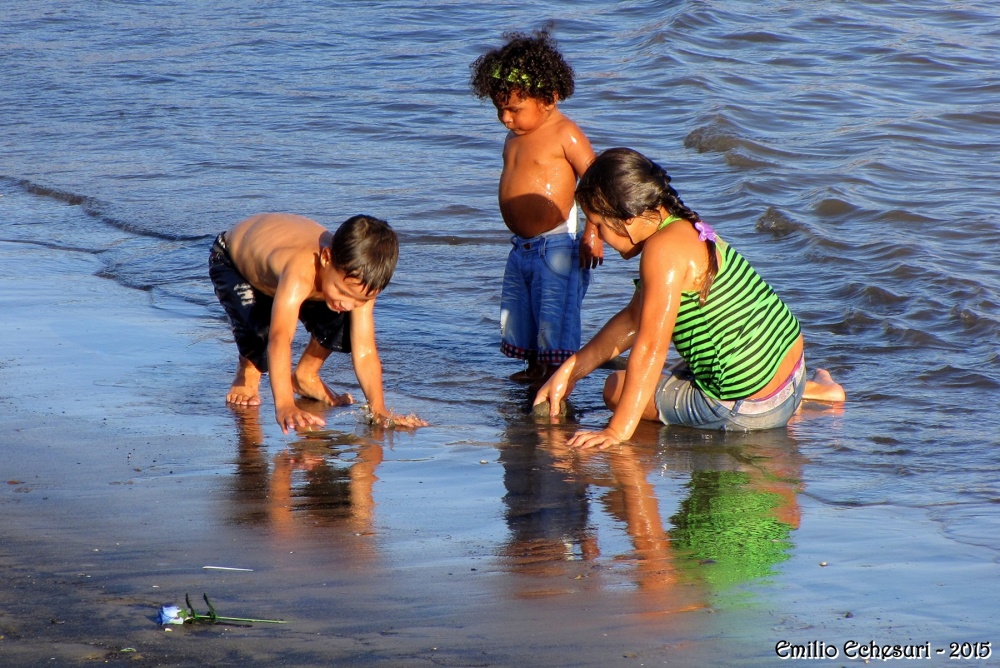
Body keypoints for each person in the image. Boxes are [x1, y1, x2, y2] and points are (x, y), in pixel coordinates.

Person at [534, 148, 845, 448]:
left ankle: (789, 400)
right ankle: (818, 392)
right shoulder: (684, 227)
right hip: (792, 374)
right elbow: (633, 319)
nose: (598, 235)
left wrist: (617, 430)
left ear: (627, 218)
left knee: (616, 387)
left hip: (752, 408)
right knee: (695, 357)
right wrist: (570, 371)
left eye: (599, 224)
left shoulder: (662, 251)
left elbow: (652, 348)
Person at [209, 212, 426, 433]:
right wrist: (285, 405)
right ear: (325, 258)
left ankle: (305, 375)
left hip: (282, 279)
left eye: (359, 299)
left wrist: (378, 408)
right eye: (342, 292)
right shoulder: (300, 271)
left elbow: (366, 351)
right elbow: (281, 338)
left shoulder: (362, 284)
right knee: (261, 338)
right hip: (234, 263)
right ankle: (249, 369)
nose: (349, 303)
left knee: (346, 326)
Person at [470, 29, 600, 384]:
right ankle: (534, 366)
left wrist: (593, 231)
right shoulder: (514, 138)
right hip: (523, 247)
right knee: (522, 311)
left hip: (558, 244)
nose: (505, 118)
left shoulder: (564, 133)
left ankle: (556, 372)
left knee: (555, 313)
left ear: (549, 98)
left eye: (514, 109)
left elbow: (595, 180)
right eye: (500, 109)